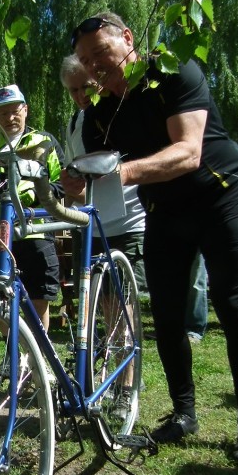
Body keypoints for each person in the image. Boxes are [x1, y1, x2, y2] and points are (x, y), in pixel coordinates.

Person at [72, 11, 238, 461]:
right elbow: (94, 164)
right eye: (85, 59)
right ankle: (183, 413)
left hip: (217, 195)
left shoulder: (173, 69)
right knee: (167, 316)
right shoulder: (99, 113)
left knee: (232, 306)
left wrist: (122, 172)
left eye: (101, 52)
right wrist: (74, 178)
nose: (94, 66)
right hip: (164, 210)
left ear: (127, 38)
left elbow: (188, 152)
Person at [0, 84, 63, 330]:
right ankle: (14, 361)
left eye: (14, 111)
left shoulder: (44, 141)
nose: (9, 118)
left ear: (26, 110)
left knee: (39, 301)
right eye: (2, 113)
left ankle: (35, 361)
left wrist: (36, 194)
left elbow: (63, 184)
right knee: (0, 302)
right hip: (0, 238)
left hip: (37, 233)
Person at [60, 55, 147, 295]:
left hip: (129, 224)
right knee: (99, 303)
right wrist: (70, 190)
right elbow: (74, 176)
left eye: (86, 86)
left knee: (123, 301)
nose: (80, 96)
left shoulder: (123, 112)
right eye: (73, 90)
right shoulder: (74, 123)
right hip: (90, 226)